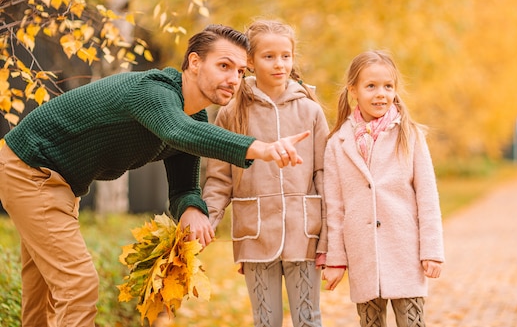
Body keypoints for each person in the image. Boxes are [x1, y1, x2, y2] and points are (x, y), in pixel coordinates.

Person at [0, 24, 310, 327]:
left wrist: (190, 208)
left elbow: (184, 185)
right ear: (194, 62)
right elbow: (178, 131)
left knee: (41, 293)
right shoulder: (154, 91)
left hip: (57, 183)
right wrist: (262, 148)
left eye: (241, 72)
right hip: (30, 170)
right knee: (78, 285)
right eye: (224, 66)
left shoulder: (192, 116)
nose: (234, 79)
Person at [202, 19, 329, 327]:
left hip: (304, 234)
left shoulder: (310, 110)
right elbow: (219, 179)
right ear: (250, 62)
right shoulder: (231, 112)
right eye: (268, 56)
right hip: (255, 235)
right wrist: (208, 221)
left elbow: (325, 176)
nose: (279, 64)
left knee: (308, 319)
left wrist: (328, 238)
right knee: (265, 320)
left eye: (285, 56)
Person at [321, 50, 444, 327]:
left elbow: (427, 197)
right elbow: (335, 208)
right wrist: (336, 259)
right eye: (371, 86)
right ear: (353, 90)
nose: (381, 94)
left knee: (412, 321)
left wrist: (432, 250)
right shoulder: (337, 144)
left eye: (388, 86)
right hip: (362, 253)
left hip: (406, 251)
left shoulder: (410, 135)